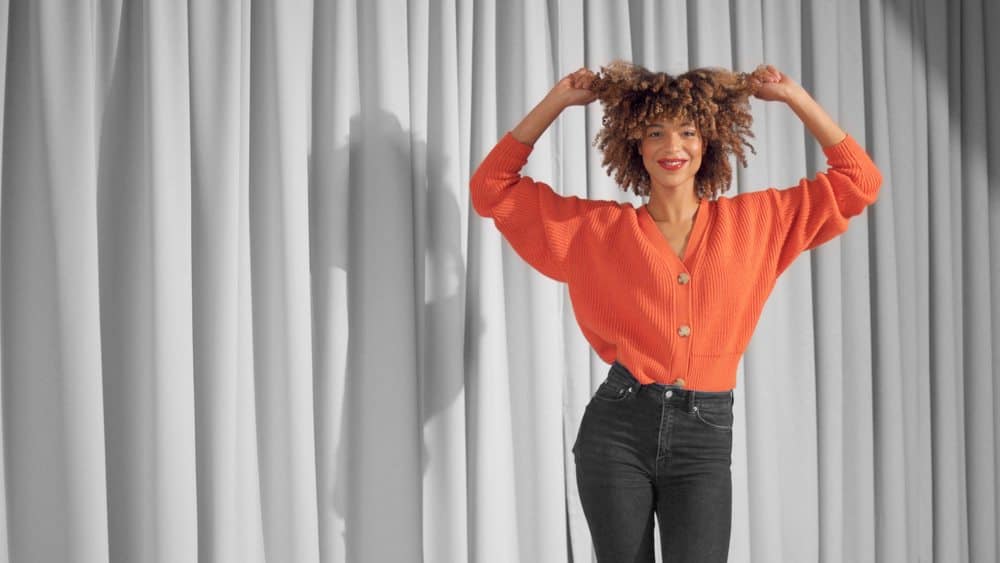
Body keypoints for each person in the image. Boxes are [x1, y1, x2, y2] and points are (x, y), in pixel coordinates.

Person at [469, 61, 882, 562]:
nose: (672, 147)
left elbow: (860, 181)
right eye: (656, 133)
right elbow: (492, 187)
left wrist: (796, 99)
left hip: (704, 435)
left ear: (706, 142)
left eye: (687, 132)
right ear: (635, 146)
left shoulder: (759, 222)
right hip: (616, 430)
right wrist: (556, 102)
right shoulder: (594, 230)